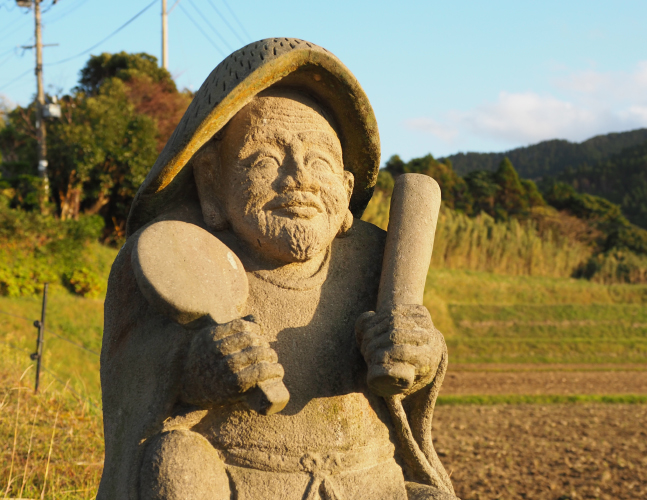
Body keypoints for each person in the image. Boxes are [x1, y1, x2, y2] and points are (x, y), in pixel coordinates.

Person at [98, 38, 457, 500]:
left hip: (369, 482)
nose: (299, 178)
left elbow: (408, 375)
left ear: (347, 191)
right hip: (241, 479)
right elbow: (130, 370)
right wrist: (193, 370)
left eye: (321, 162)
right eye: (265, 158)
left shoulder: (376, 260)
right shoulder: (176, 256)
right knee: (174, 463)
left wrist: (420, 352)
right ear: (211, 181)